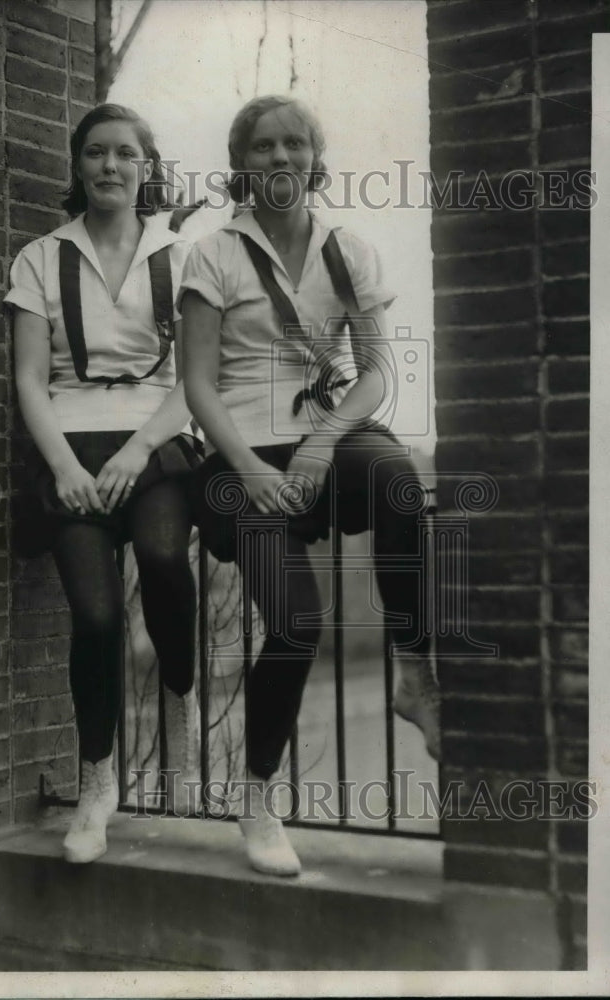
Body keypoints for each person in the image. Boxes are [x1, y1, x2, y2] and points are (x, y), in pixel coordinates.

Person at [180, 95, 440, 877]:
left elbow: (375, 376)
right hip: (241, 461)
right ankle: (258, 803)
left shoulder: (347, 251)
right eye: (263, 147)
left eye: (295, 144)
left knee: (396, 479)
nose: (280, 158)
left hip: (322, 444)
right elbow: (196, 385)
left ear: (314, 159)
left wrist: (324, 442)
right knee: (297, 623)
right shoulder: (214, 254)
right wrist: (252, 471)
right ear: (242, 163)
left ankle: (415, 673)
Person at [6, 104, 200, 864]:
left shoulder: (183, 256)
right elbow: (28, 379)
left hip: (157, 440)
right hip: (69, 445)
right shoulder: (39, 258)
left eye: (126, 153)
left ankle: (178, 690)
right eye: (96, 153)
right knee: (93, 617)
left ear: (148, 167)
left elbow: (199, 380)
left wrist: (138, 450)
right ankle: (97, 783)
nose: (110, 166)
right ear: (78, 165)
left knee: (158, 557)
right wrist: (64, 466)